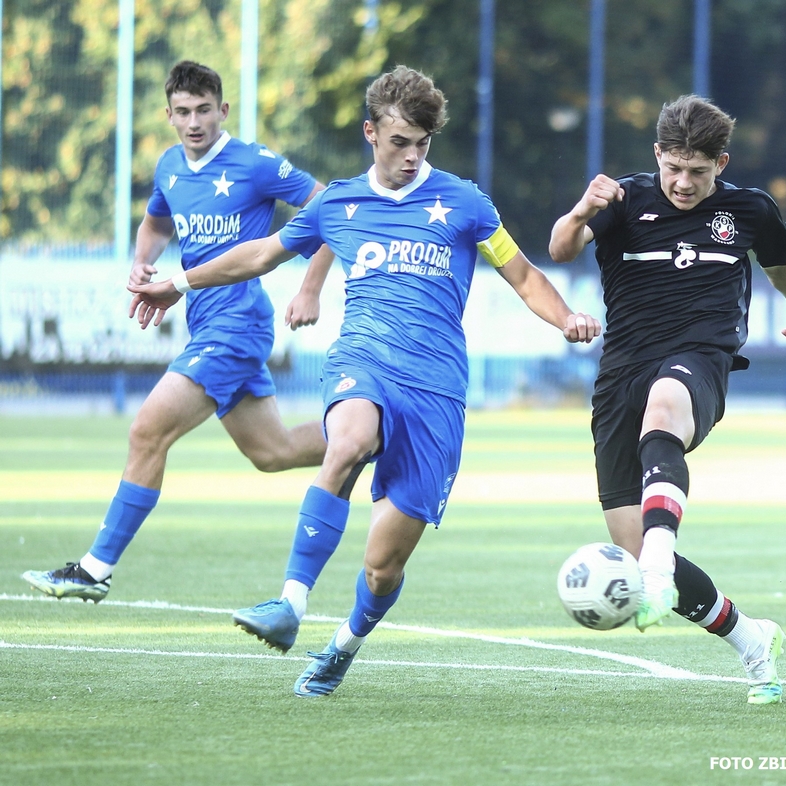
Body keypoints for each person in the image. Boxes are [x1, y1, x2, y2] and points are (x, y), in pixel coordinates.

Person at [127, 65, 601, 698]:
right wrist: (177, 282)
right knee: (348, 440)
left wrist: (565, 317)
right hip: (363, 359)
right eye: (399, 142)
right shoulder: (339, 203)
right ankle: (290, 602)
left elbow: (523, 275)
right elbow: (261, 254)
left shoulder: (465, 203)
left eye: (422, 144)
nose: (411, 157)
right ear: (371, 132)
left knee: (382, 568)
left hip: (436, 390)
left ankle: (343, 645)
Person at [22, 61, 334, 603]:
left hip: (237, 325)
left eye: (204, 110)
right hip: (207, 324)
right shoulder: (170, 166)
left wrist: (310, 287)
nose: (194, 122)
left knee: (147, 431)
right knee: (273, 451)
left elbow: (330, 207)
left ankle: (94, 570)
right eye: (183, 112)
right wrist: (142, 261)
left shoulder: (254, 164)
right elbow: (156, 222)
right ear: (168, 115)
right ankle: (380, 438)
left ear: (223, 110)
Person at [548, 94, 786, 705]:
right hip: (620, 375)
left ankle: (656, 566)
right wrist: (582, 208)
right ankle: (752, 639)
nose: (683, 183)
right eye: (673, 168)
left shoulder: (748, 210)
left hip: (699, 358)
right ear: (657, 155)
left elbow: (781, 264)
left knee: (664, 408)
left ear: (720, 163)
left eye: (698, 171)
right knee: (632, 540)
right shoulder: (623, 199)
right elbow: (561, 248)